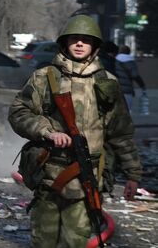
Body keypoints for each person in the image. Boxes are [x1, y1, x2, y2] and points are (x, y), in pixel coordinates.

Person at [9, 15, 142, 248]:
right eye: (74, 39)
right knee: (43, 241)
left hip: (86, 178)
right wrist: (47, 132)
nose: (79, 44)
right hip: (48, 174)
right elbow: (18, 113)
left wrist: (132, 174)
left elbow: (121, 132)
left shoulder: (107, 83)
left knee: (76, 242)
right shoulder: (44, 78)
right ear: (64, 42)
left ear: (95, 46)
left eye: (85, 40)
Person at [116, 45, 146, 110]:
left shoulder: (115, 60)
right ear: (129, 52)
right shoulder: (130, 61)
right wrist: (142, 85)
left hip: (116, 89)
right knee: (127, 111)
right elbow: (135, 75)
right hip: (127, 90)